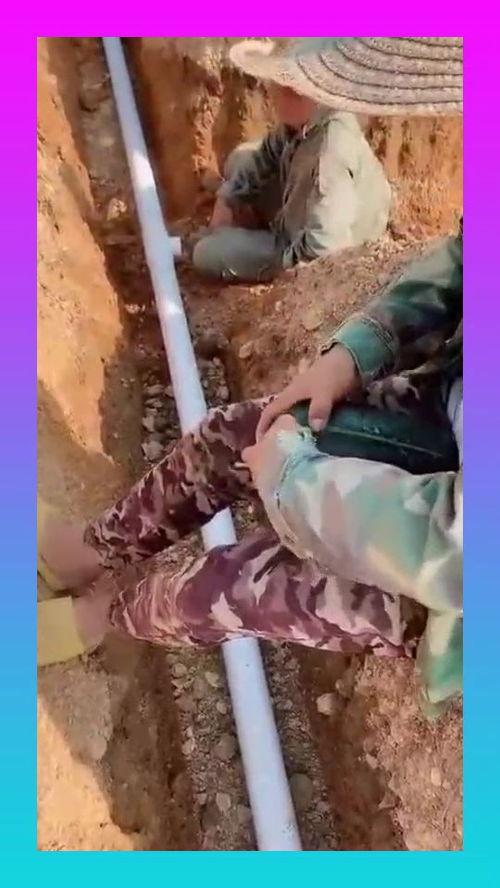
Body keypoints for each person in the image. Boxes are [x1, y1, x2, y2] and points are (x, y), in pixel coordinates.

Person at [38, 38, 463, 718]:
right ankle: (95, 551)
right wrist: (351, 354)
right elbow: (460, 266)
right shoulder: (294, 139)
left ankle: (107, 615)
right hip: (448, 426)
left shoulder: (331, 157)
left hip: (455, 583)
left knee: (227, 588)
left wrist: (294, 480)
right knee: (236, 432)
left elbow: (459, 546)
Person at [188, 38, 391, 282]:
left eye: (288, 88)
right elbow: (265, 155)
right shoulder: (306, 119)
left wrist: (280, 263)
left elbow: (324, 251)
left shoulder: (332, 152)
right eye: (278, 82)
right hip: (302, 207)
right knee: (240, 159)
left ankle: (261, 237)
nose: (277, 95)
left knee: (207, 252)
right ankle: (258, 225)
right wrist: (227, 199)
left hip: (320, 242)